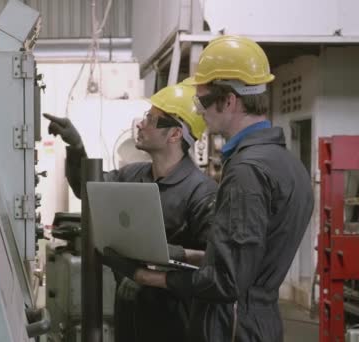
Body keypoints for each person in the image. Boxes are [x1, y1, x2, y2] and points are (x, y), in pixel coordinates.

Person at [106, 35, 315, 342]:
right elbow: (247, 260)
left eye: (202, 100)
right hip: (259, 320)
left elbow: (226, 281)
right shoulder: (286, 163)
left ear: (229, 100)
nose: (199, 111)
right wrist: (182, 254)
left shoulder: (247, 172)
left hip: (231, 326)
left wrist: (142, 275)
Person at [43, 83, 217, 342]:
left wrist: (174, 253)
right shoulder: (133, 175)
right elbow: (89, 188)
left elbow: (215, 261)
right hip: (129, 312)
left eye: (151, 118)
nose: (140, 124)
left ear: (175, 134)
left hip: (176, 322)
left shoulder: (202, 192)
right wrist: (75, 146)